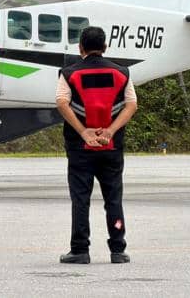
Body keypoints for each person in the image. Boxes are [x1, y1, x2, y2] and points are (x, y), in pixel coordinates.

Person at [55, 25, 138, 265]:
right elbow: (132, 104)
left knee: (81, 199)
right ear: (105, 47)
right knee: (114, 198)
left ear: (80, 47)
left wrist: (83, 132)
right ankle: (118, 249)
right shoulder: (122, 73)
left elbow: (61, 102)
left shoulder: (69, 74)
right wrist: (110, 131)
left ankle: (80, 249)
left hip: (80, 148)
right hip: (111, 147)